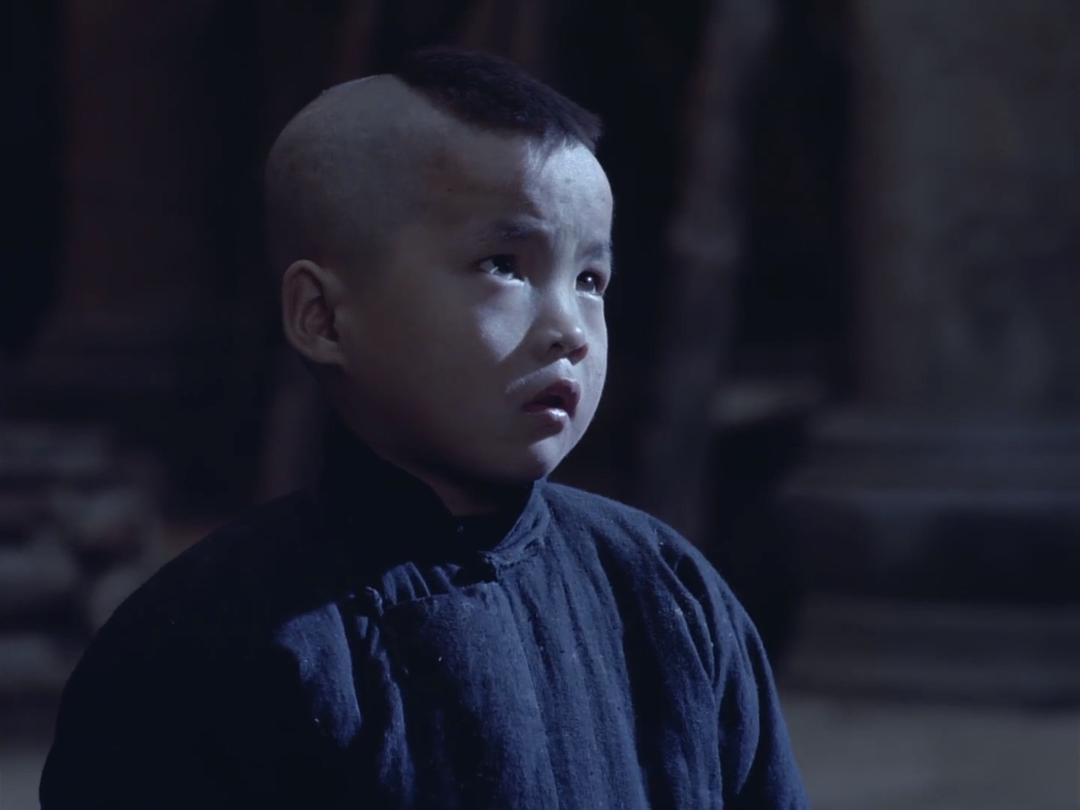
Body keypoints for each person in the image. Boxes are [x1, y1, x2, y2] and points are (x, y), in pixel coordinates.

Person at [40, 48, 809, 809]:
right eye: (504, 265)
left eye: (589, 279)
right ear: (323, 317)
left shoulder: (665, 593)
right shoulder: (206, 646)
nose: (571, 330)